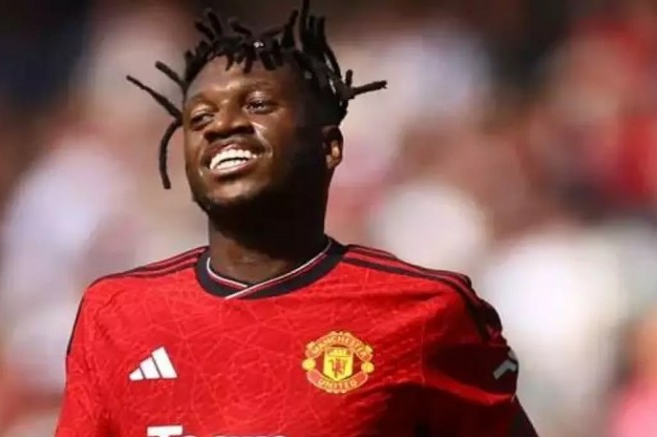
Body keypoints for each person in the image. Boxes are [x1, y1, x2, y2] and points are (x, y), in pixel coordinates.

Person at [55, 1, 537, 435]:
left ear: (329, 147)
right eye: (199, 118)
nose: (223, 125)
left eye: (258, 105)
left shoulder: (425, 312)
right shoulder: (115, 314)